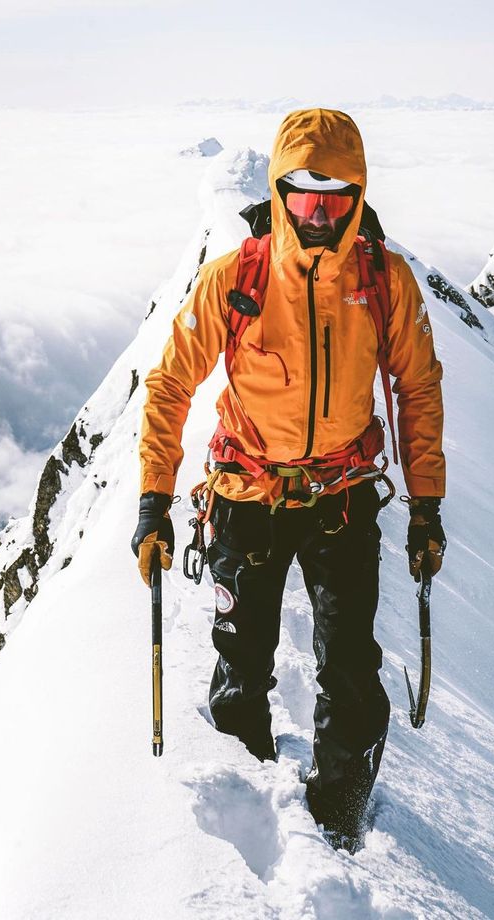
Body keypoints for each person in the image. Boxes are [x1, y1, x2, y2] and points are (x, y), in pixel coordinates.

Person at [132, 108, 446, 851]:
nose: (316, 216)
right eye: (301, 199)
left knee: (351, 669)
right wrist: (154, 500)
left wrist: (427, 504)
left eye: (334, 201)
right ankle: (246, 833)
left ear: (357, 199)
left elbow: (418, 386)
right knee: (242, 660)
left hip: (341, 497)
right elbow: (171, 382)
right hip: (247, 496)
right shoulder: (236, 278)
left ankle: (337, 822)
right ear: (278, 195)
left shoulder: (382, 280)